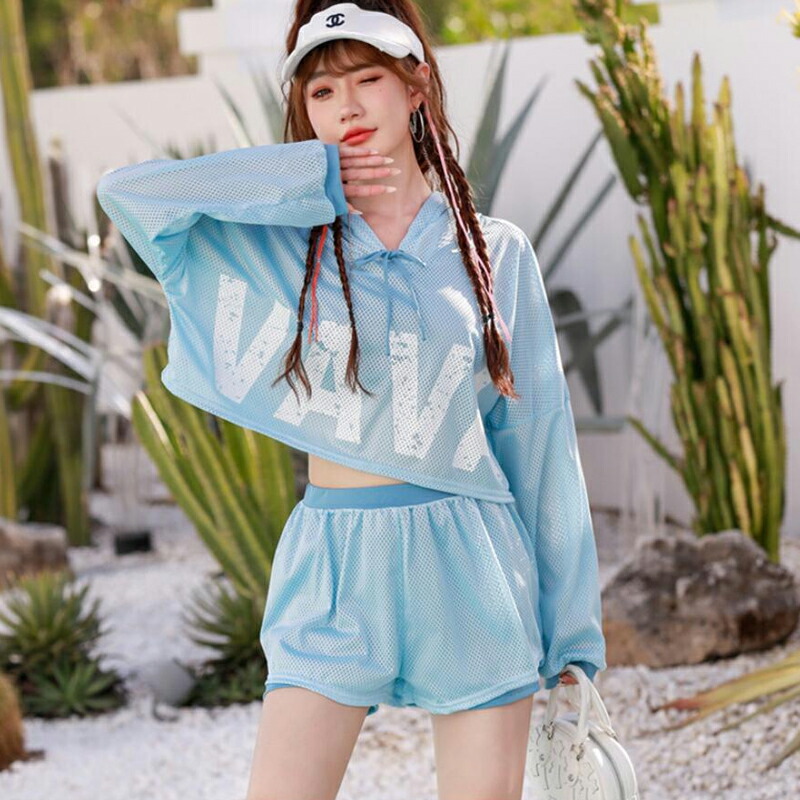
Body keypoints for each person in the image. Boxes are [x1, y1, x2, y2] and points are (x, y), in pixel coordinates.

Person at [95, 2, 606, 798]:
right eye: (323, 92)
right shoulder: (282, 244)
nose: (348, 108)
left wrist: (573, 646)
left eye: (368, 80)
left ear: (416, 88)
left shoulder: (495, 253)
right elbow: (128, 195)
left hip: (472, 570)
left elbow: (541, 446)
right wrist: (306, 179)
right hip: (332, 567)